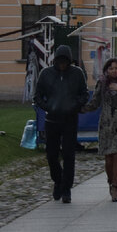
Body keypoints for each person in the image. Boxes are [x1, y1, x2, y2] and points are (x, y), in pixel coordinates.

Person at [32, 44, 89, 203]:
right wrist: (48, 107)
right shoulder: (46, 74)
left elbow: (84, 94)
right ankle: (58, 180)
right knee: (51, 154)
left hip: (70, 119)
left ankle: (66, 188)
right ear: (56, 61)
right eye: (60, 61)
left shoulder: (77, 74)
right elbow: (37, 96)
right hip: (52, 119)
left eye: (65, 61)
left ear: (69, 61)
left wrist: (75, 105)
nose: (62, 64)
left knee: (69, 154)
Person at [82, 57, 117, 202]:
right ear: (107, 70)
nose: (114, 71)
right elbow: (95, 102)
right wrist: (81, 108)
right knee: (108, 156)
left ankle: (115, 187)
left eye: (116, 68)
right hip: (106, 123)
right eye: (111, 68)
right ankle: (110, 179)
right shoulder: (102, 82)